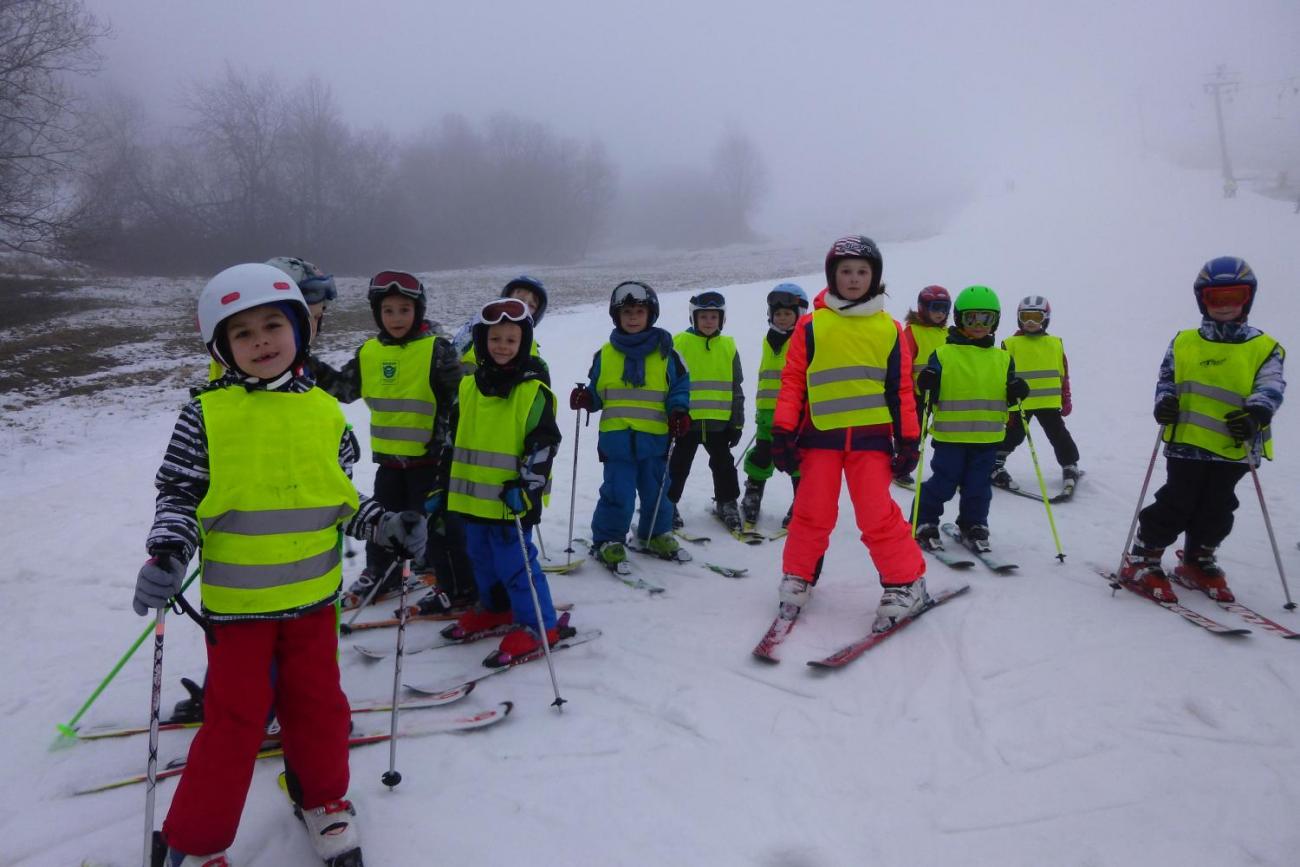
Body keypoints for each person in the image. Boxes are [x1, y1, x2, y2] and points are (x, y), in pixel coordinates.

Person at [132, 262, 428, 866]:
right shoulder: (205, 416)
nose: (262, 340)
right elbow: (179, 496)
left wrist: (384, 523)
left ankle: (323, 801)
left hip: (314, 603)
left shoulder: (325, 412)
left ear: (300, 330)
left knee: (319, 707)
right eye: (242, 333)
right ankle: (196, 837)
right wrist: (167, 552)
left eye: (273, 324)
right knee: (235, 721)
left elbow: (339, 498)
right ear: (222, 346)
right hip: (240, 610)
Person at [771, 235, 927, 632]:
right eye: (845, 272)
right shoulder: (811, 326)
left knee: (877, 514)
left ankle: (906, 582)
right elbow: (793, 383)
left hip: (870, 441)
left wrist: (908, 440)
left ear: (874, 277)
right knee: (811, 512)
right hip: (820, 438)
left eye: (862, 272)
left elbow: (902, 390)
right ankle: (798, 576)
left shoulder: (890, 330)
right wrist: (783, 432)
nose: (854, 279)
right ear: (832, 275)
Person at [1118, 256, 1285, 602]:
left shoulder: (1265, 347)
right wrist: (1164, 402)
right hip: (1187, 442)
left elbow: (1271, 387)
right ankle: (1142, 556)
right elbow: (1167, 379)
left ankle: (1199, 557)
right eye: (1215, 298)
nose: (1224, 306)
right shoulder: (1184, 342)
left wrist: (1256, 414)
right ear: (1202, 299)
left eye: (1233, 297)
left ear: (1248, 298)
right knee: (1177, 501)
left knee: (1218, 507)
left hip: (1235, 446)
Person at [309, 270, 467, 608]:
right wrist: (312, 369)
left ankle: (453, 584)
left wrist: (461, 385)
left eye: (404, 310)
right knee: (385, 522)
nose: (396, 318)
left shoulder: (436, 350)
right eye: (388, 310)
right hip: (390, 461)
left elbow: (461, 400)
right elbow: (345, 390)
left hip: (430, 462)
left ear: (418, 312)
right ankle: (381, 573)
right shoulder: (369, 352)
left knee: (433, 526)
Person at [439, 297, 576, 664]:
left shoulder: (533, 392)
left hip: (510, 502)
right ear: (482, 342)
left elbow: (544, 445)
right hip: (471, 501)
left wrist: (527, 488)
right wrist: (441, 486)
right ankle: (496, 608)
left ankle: (539, 624)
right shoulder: (468, 388)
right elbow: (453, 440)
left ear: (524, 344)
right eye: (495, 339)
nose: (502, 346)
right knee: (481, 560)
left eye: (511, 340)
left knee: (517, 565)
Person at [570, 281, 691, 569]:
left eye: (639, 311)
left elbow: (680, 387)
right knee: (618, 494)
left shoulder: (667, 353)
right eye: (627, 312)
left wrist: (679, 410)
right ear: (617, 316)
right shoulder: (606, 355)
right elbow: (599, 393)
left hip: (654, 440)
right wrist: (587, 398)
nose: (633, 317)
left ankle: (655, 533)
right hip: (617, 442)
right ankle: (609, 539)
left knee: (657, 492)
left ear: (651, 314)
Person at [913, 286, 1027, 551]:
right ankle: (924, 521)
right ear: (960, 318)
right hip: (950, 437)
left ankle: (973, 524)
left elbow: (1007, 394)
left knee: (978, 488)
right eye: (971, 318)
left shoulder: (1002, 358)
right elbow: (931, 391)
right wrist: (928, 382)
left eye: (985, 319)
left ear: (995, 321)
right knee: (943, 484)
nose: (978, 325)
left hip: (987, 439)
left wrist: (1018, 390)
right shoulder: (944, 354)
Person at [667, 290, 745, 532]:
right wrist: (670, 416)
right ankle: (668, 504)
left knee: (724, 465)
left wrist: (737, 422)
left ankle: (727, 502)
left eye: (714, 317)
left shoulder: (728, 346)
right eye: (704, 317)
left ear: (722, 319)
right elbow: (668, 381)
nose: (709, 322)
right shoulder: (679, 343)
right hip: (686, 422)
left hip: (718, 423)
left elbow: (736, 387)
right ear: (694, 318)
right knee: (678, 465)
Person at [991, 295, 1081, 489]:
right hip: (1020, 402)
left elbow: (1063, 373)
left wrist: (1066, 397)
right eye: (1026, 317)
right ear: (1018, 318)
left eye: (1036, 317)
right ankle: (994, 463)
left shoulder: (1055, 344)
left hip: (1048, 401)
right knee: (1014, 435)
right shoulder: (1010, 344)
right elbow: (1001, 374)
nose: (1030, 322)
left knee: (1058, 434)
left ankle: (1069, 463)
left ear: (1046, 318)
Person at [203, 256, 336, 384]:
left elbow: (337, 386)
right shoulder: (250, 365)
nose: (261, 340)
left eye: (318, 318)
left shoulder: (298, 363)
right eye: (243, 334)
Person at [741, 284, 810, 529]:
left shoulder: (806, 340)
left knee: (796, 458)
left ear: (800, 314)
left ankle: (802, 502)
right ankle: (753, 492)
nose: (781, 319)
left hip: (795, 413)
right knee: (763, 455)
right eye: (776, 313)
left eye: (787, 313)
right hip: (767, 412)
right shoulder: (769, 339)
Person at [897, 285, 952, 484]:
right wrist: (907, 389)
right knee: (915, 433)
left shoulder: (947, 334)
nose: (940, 313)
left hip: (943, 393)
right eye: (935, 307)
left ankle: (946, 470)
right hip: (918, 394)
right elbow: (903, 363)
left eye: (944, 308)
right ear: (923, 307)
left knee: (945, 433)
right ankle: (902, 468)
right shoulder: (913, 332)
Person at [454, 275, 550, 377]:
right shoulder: (479, 331)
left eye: (531, 305)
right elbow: (455, 355)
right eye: (519, 301)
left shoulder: (532, 349)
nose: (524, 307)